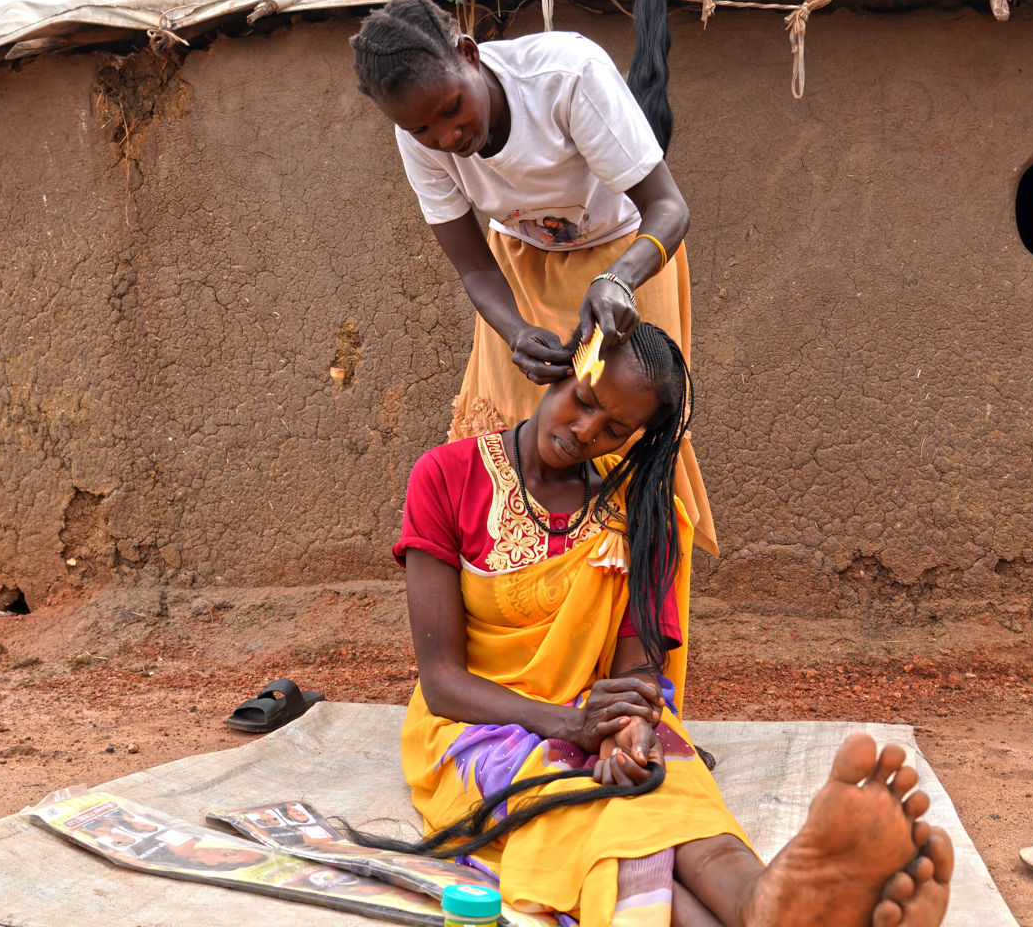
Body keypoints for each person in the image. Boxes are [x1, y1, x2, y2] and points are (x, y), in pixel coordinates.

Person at [383, 323, 950, 927]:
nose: (584, 433)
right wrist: (570, 726)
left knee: (670, 792)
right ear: (568, 366)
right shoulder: (447, 476)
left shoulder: (645, 513)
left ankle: (767, 902)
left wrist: (628, 729)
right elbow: (443, 681)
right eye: (586, 400)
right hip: (476, 725)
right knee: (588, 804)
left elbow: (635, 674)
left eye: (615, 430)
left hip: (593, 713)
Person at [350, 0, 718, 556]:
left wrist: (618, 282)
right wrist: (517, 331)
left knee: (617, 429)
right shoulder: (414, 134)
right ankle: (524, 608)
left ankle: (631, 621)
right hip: (522, 267)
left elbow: (668, 208)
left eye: (450, 110)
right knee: (515, 445)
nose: (445, 138)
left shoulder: (564, 76)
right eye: (422, 128)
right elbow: (474, 267)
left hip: (630, 253)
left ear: (469, 55)